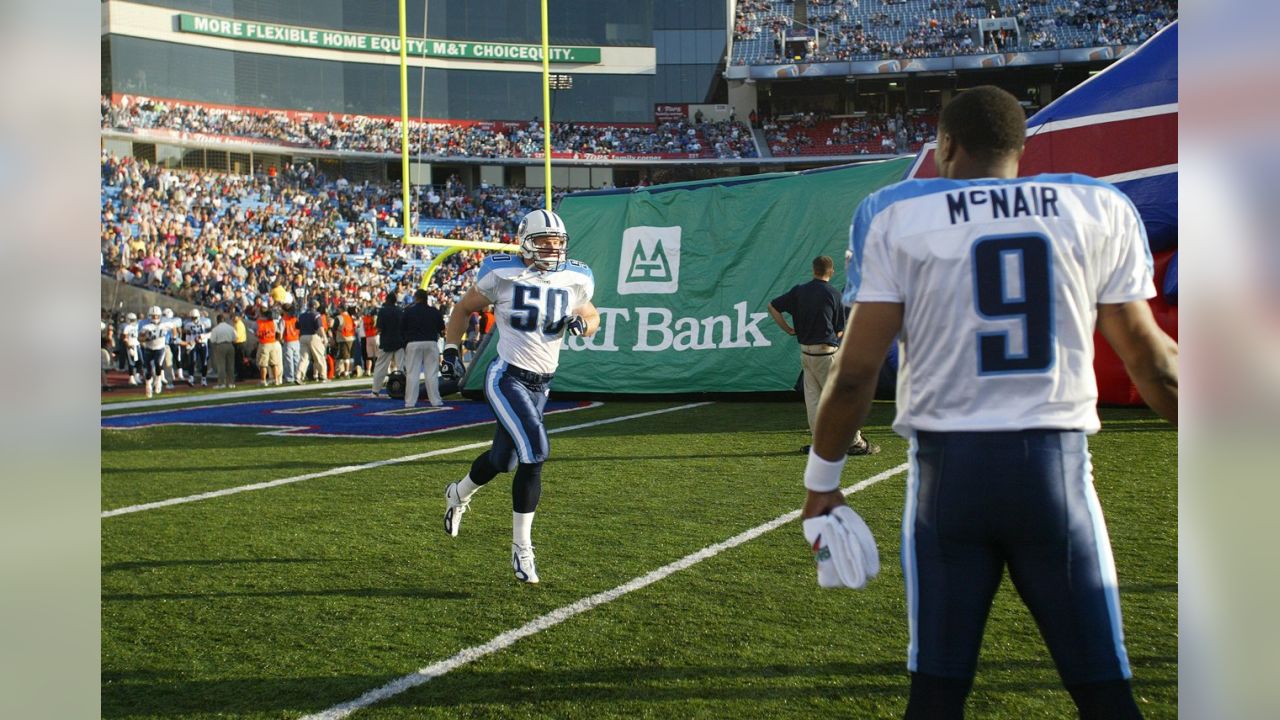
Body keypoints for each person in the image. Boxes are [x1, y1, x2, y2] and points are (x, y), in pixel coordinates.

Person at [801, 86, 1178, 719]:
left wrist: (822, 482)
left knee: (938, 692)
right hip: (1054, 480)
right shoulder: (1093, 206)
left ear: (946, 144)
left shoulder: (896, 215)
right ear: (1020, 147)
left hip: (948, 484)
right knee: (1104, 689)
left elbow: (857, 371)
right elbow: (1152, 361)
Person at [440, 208, 600, 584]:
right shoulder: (501, 272)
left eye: (557, 242)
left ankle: (458, 493)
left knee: (503, 459)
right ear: (525, 242)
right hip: (506, 376)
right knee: (536, 452)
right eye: (544, 241)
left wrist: (584, 324)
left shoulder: (575, 276)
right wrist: (450, 351)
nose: (551, 248)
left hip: (542, 382)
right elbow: (463, 308)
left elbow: (592, 315)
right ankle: (522, 550)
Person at [768, 255, 878, 456]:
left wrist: (788, 329)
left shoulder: (799, 291)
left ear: (813, 270)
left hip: (805, 353)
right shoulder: (834, 294)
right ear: (831, 271)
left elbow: (773, 307)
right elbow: (839, 330)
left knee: (814, 402)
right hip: (826, 354)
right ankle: (854, 442)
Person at [399, 289, 446, 408]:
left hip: (413, 343)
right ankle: (436, 401)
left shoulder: (409, 311)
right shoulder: (434, 311)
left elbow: (402, 328)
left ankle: (410, 402)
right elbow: (441, 327)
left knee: (412, 374)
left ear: (416, 298)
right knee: (431, 374)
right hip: (431, 342)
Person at [370, 293, 405, 396]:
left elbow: (379, 328)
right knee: (402, 367)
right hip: (399, 342)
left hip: (386, 342)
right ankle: (406, 389)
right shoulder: (400, 311)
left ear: (387, 300)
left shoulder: (383, 311)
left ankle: (375, 391)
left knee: (381, 367)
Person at [137, 306, 167, 398]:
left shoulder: (165, 324)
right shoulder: (146, 326)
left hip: (160, 348)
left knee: (158, 364)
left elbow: (174, 326)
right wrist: (145, 338)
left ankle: (158, 381)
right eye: (153, 316)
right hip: (149, 348)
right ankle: (148, 386)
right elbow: (139, 338)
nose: (155, 318)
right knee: (148, 369)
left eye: (157, 316)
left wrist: (174, 337)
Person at [297, 300, 327, 383]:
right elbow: (319, 327)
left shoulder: (301, 315)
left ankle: (298, 376)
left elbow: (297, 326)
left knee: (304, 358)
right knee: (319, 357)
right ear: (314, 306)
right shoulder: (316, 314)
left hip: (302, 336)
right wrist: (324, 337)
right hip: (313, 336)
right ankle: (323, 376)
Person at [254, 306, 283, 387]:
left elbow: (255, 332)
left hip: (264, 343)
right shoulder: (272, 321)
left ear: (260, 313)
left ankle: (263, 381)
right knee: (274, 363)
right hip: (273, 342)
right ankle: (276, 380)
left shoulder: (258, 322)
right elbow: (278, 332)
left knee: (263, 364)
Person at [208, 312, 237, 388]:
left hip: (220, 346)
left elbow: (212, 340)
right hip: (230, 345)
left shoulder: (215, 329)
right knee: (230, 365)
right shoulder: (230, 327)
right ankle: (231, 383)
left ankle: (222, 383)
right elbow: (235, 338)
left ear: (217, 321)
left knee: (221, 366)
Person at [182, 308, 209, 386]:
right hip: (193, 344)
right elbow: (188, 335)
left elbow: (208, 322)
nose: (194, 319)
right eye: (192, 317)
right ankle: (191, 378)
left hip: (203, 344)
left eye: (195, 317)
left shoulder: (204, 322)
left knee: (204, 362)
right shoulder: (188, 324)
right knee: (192, 362)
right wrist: (188, 345)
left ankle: (203, 379)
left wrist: (204, 315)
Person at [281, 303, 302, 384]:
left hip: (288, 340)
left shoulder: (283, 319)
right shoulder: (295, 318)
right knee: (296, 359)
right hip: (296, 340)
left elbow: (281, 331)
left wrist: (280, 340)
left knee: (288, 360)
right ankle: (298, 376)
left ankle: (290, 378)